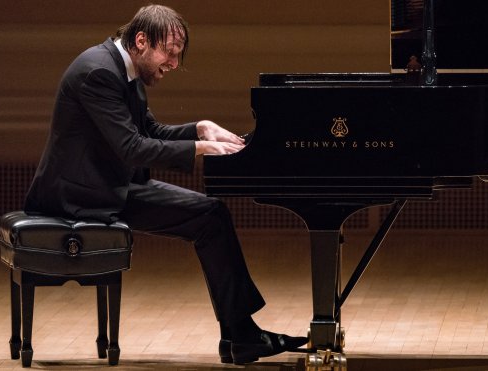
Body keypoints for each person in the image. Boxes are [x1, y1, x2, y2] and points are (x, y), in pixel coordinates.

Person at [23, 4, 308, 365]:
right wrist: (201, 149)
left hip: (106, 186)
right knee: (211, 215)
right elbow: (132, 148)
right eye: (170, 52)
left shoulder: (122, 68)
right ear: (141, 40)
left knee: (211, 214)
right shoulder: (98, 73)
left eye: (178, 54)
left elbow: (149, 132)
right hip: (80, 196)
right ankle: (243, 336)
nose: (174, 63)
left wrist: (200, 128)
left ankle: (240, 336)